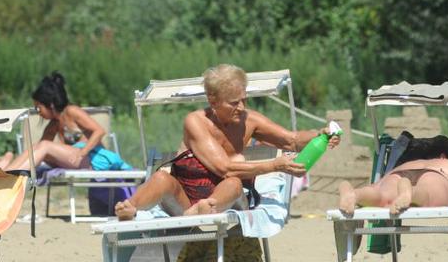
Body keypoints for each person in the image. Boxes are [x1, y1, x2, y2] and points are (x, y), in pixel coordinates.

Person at [115, 64, 341, 220]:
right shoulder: (196, 121)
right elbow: (223, 167)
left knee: (233, 183)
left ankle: (208, 207)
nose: (241, 107)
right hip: (186, 199)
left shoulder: (249, 120)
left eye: (244, 100)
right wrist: (274, 165)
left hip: (225, 197)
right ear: (213, 100)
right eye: (234, 103)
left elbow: (292, 140)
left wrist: (319, 135)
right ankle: (129, 208)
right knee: (161, 178)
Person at [337, 138, 448, 215]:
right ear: (444, 157)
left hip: (396, 174)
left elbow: (378, 185)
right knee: (427, 194)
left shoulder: (409, 163)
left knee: (381, 196)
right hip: (437, 177)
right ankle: (412, 192)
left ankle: (355, 194)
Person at [4, 71, 113, 172]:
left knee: (45, 145)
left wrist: (82, 153)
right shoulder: (54, 123)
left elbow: (99, 131)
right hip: (77, 160)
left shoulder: (72, 111)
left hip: (93, 160)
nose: (38, 112)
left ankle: (15, 176)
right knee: (35, 147)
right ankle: (6, 174)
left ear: (50, 104)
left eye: (38, 108)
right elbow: (38, 149)